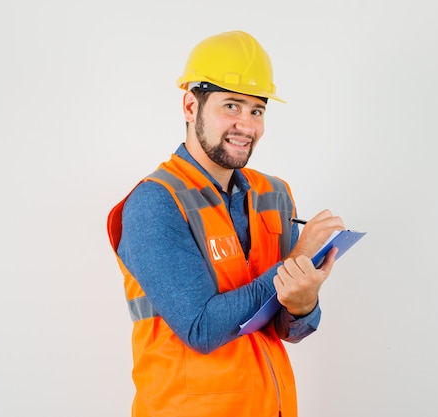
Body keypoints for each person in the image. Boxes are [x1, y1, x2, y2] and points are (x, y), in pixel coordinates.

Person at [106, 30, 345, 417]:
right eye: (231, 106)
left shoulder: (275, 195)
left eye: (257, 110)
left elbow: (288, 328)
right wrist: (294, 263)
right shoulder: (155, 202)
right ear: (190, 105)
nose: (246, 126)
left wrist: (303, 304)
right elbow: (201, 328)